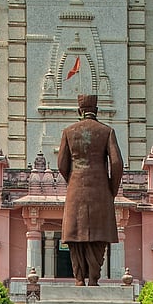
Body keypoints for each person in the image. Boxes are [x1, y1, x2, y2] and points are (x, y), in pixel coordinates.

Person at [57, 94, 124, 285]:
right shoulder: (106, 131)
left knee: (75, 236)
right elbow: (117, 163)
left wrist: (72, 179)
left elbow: (61, 164)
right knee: (98, 236)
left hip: (75, 189)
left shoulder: (69, 132)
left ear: (79, 111)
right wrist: (111, 189)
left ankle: (79, 279)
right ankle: (94, 278)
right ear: (96, 111)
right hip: (100, 190)